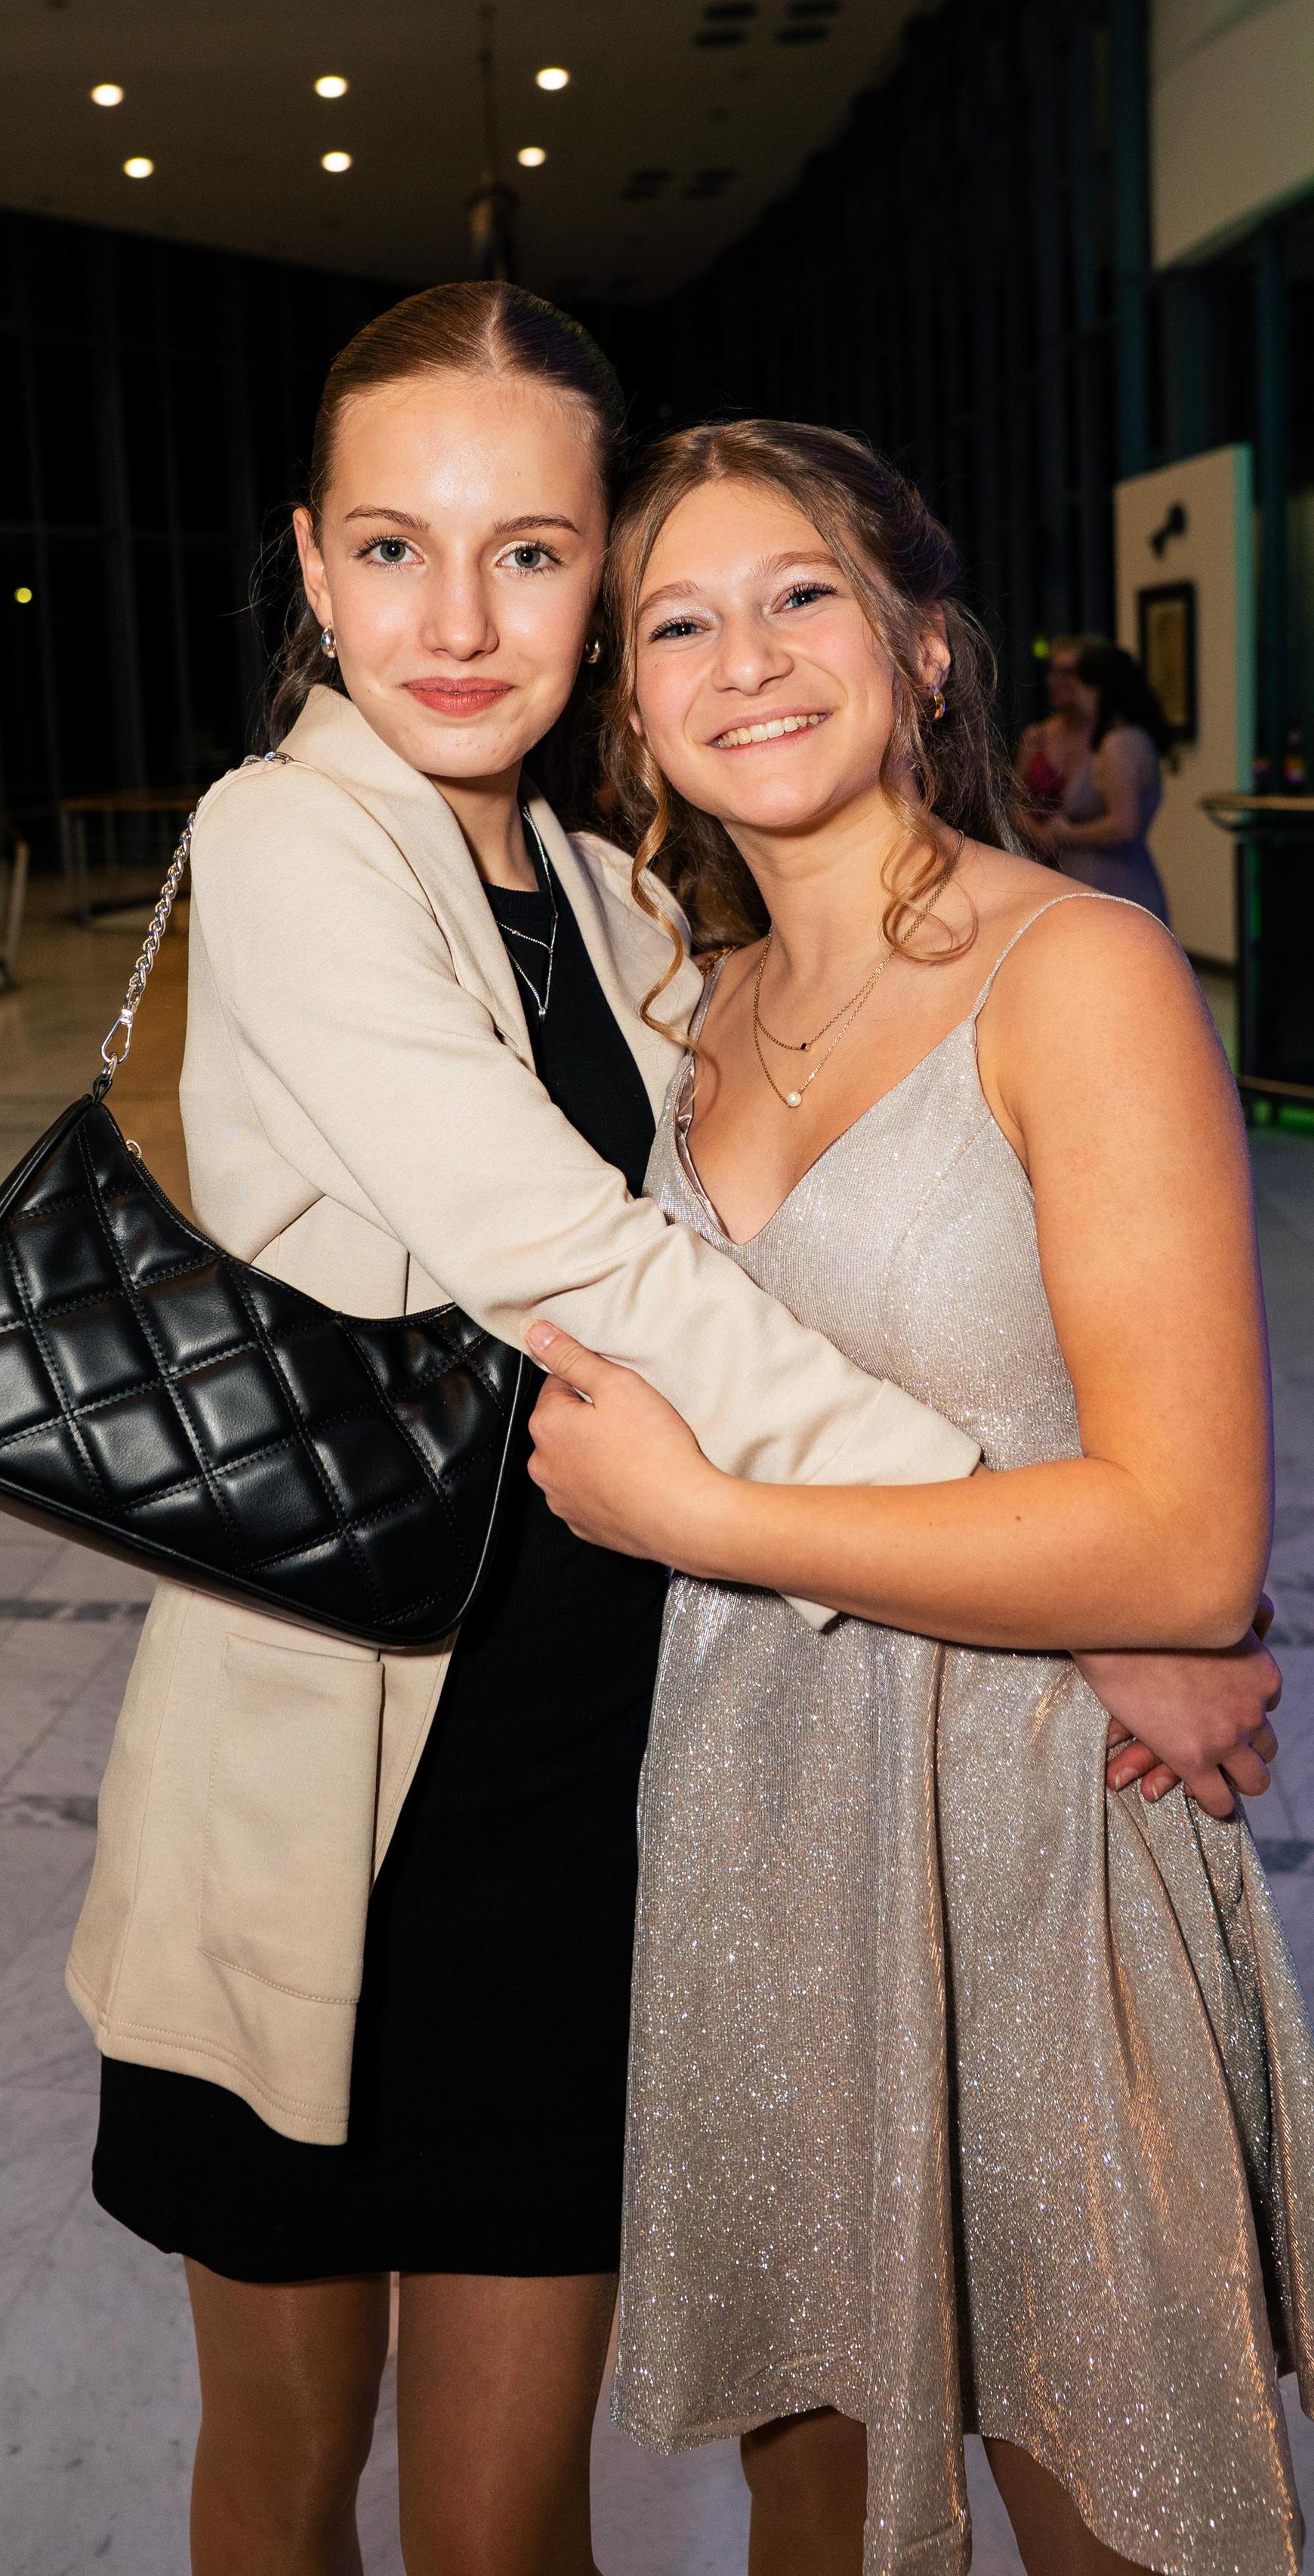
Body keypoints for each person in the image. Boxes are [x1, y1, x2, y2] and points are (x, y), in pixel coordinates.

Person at [68, 286, 1007, 2576]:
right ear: (307, 563)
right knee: (282, 2483)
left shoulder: (597, 894)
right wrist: (1004, 1540)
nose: (458, 620)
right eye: (392, 549)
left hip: (577, 1798)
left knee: (507, 2529)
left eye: (530, 552)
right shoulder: (294, 839)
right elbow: (580, 1260)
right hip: (315, 1795)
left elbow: (776, 1177)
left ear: (601, 576)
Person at [524, 420, 1306, 2576]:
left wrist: (706, 1516)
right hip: (749, 1836)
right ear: (638, 712)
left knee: (1116, 2501)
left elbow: (1184, 1541)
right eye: (677, 619)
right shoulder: (683, 1018)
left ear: (925, 649)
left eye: (800, 597)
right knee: (813, 2497)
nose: (744, 657)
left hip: (1042, 1834)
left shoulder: (1079, 974)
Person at [1032, 640, 1173, 920]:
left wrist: (1065, 834)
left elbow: (1124, 825)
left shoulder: (1118, 744)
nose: (1076, 693)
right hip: (1115, 877)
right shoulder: (1132, 737)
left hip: (1112, 883)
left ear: (1097, 690)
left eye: (1080, 685)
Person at [1013, 631, 1103, 818]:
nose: (1055, 681)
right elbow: (1015, 806)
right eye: (1053, 672)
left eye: (1067, 673)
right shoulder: (1037, 736)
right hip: (1036, 846)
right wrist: (1044, 838)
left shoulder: (1107, 737)